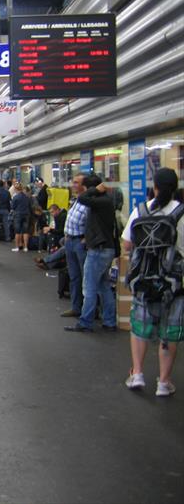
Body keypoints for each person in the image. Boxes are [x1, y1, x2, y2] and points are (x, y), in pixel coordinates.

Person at [122, 167, 183, 397]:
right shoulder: (182, 213)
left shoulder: (141, 210)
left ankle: (137, 373)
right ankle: (164, 382)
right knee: (169, 331)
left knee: (140, 327)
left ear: (154, 187)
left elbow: (127, 244)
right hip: (174, 283)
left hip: (144, 281)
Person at [64, 174, 119, 332]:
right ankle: (109, 321)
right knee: (103, 285)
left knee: (88, 287)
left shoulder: (101, 201)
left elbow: (83, 199)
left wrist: (93, 189)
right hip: (105, 248)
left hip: (98, 249)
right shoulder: (106, 201)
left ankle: (85, 322)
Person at [61, 173, 89, 318]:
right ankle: (75, 307)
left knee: (86, 278)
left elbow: (92, 222)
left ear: (84, 185)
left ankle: (88, 310)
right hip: (70, 241)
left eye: (76, 183)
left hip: (80, 242)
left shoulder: (89, 202)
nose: (73, 185)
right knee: (74, 277)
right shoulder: (76, 200)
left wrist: (85, 239)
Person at [11, 183, 31, 252]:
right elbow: (29, 205)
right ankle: (25, 247)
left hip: (18, 215)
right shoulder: (26, 197)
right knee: (26, 231)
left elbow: (12, 207)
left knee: (17, 232)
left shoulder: (15, 197)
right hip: (26, 214)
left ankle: (17, 247)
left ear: (16, 189)